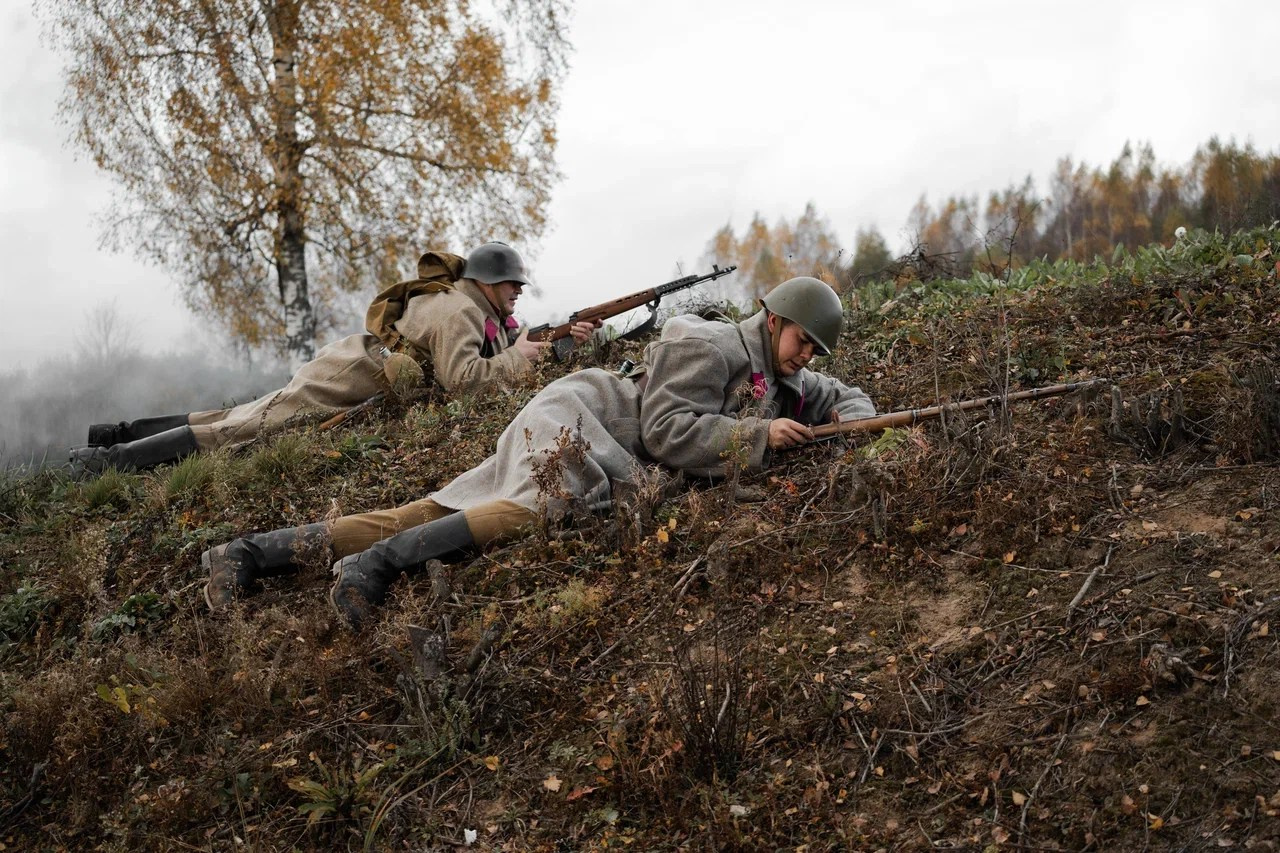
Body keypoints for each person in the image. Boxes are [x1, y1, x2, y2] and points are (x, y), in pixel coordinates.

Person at [201, 276, 877, 629]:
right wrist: (757, 436)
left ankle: (250, 554)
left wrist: (853, 425)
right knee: (537, 504)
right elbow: (670, 431)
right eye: (804, 342)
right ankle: (370, 567)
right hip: (582, 416)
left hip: (596, 432)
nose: (807, 358)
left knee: (439, 505)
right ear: (776, 321)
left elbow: (835, 395)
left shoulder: (778, 370)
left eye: (815, 351)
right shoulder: (711, 346)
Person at [70, 243, 598, 475]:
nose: (519, 293)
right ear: (487, 282)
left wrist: (547, 342)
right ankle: (106, 464)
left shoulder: (471, 308)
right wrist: (517, 360)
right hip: (348, 374)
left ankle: (113, 436)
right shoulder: (461, 311)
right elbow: (463, 381)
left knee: (232, 418)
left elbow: (492, 349)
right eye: (512, 284)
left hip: (351, 365)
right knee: (243, 428)